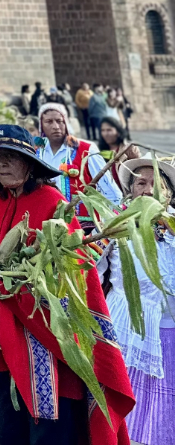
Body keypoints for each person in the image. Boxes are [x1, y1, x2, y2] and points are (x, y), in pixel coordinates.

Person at [0, 124, 134, 445]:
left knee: (49, 433)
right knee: (8, 430)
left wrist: (14, 291)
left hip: (51, 346)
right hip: (4, 346)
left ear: (30, 164)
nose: (2, 164)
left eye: (11, 157)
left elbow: (73, 276)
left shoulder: (52, 205)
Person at [106, 157, 175, 445]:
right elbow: (88, 268)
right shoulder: (114, 224)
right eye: (140, 183)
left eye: (156, 186)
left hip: (167, 330)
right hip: (125, 328)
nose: (147, 191)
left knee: (162, 411)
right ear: (130, 190)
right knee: (121, 405)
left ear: (168, 194)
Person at [34, 98, 93, 202]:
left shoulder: (86, 149)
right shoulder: (35, 154)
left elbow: (107, 186)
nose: (56, 127)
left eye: (59, 121)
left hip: (80, 216)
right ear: (41, 125)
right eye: (49, 122)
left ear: (66, 123)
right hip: (47, 214)